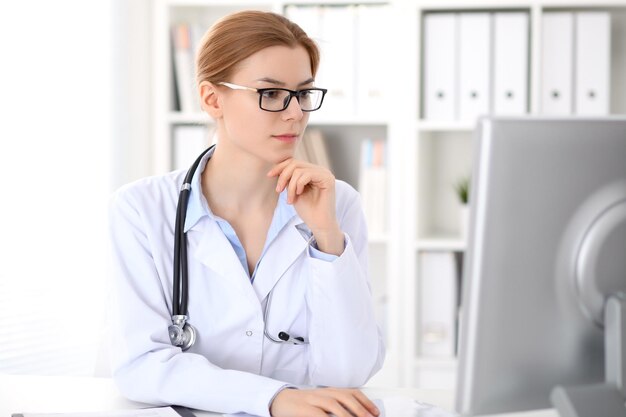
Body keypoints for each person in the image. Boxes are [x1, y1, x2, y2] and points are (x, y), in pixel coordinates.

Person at [108, 10, 385, 417]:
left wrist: (327, 237)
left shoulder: (338, 204)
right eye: (270, 94)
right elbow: (141, 365)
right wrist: (272, 399)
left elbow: (350, 373)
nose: (296, 113)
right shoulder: (142, 209)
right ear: (211, 98)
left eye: (303, 93)